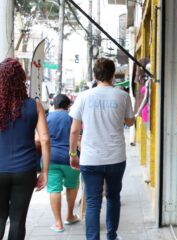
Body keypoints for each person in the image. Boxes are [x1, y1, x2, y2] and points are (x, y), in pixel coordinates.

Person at [69, 58, 135, 240]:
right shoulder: (122, 96)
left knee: (92, 202)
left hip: (90, 158)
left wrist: (73, 153)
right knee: (113, 198)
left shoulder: (83, 97)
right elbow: (130, 121)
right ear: (113, 75)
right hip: (116, 157)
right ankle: (112, 236)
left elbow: (74, 130)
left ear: (94, 75)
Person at [0, 58, 50, 240]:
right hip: (25, 170)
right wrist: (45, 171)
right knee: (17, 221)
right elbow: (44, 138)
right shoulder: (33, 105)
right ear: (22, 79)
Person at [46, 94, 80, 232]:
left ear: (54, 104)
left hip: (51, 158)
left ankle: (58, 223)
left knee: (54, 189)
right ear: (68, 105)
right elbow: (78, 136)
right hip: (69, 158)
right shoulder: (72, 118)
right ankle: (70, 216)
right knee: (72, 185)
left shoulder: (47, 117)